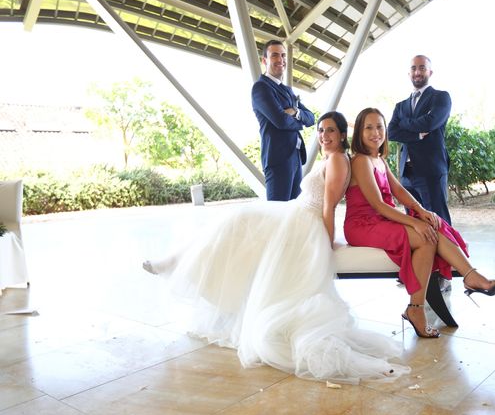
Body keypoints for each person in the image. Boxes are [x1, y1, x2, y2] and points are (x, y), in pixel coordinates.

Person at [142, 111, 409, 384]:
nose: (324, 136)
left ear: (342, 135)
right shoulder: (332, 158)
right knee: (238, 231)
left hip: (303, 222)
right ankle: (183, 265)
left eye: (330, 131)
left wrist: (327, 243)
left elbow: (329, 207)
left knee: (239, 221)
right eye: (320, 131)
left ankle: (176, 264)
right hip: (295, 213)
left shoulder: (339, 160)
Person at [344, 108, 495, 339]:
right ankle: (432, 299)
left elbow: (398, 190)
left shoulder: (378, 160)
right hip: (362, 224)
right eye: (368, 127)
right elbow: (379, 205)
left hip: (379, 219)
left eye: (379, 127)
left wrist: (421, 211)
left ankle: (459, 281)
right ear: (359, 132)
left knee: (431, 228)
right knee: (424, 235)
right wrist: (413, 221)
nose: (375, 133)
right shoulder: (360, 161)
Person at [387, 55, 452, 225]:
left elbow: (430, 122)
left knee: (439, 222)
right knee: (416, 223)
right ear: (409, 73)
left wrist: (404, 123)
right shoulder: (401, 106)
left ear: (430, 71)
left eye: (422, 68)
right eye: (414, 68)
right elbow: (391, 132)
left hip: (430, 171)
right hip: (406, 174)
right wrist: (416, 134)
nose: (417, 72)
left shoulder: (441, 97)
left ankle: (451, 251)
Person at [252, 39, 316, 201]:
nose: (280, 60)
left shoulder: (287, 90)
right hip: (278, 159)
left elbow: (311, 118)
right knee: (277, 214)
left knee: (293, 214)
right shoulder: (261, 88)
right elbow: (280, 121)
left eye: (283, 55)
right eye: (275, 55)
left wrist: (295, 112)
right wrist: (297, 120)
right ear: (264, 60)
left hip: (295, 157)